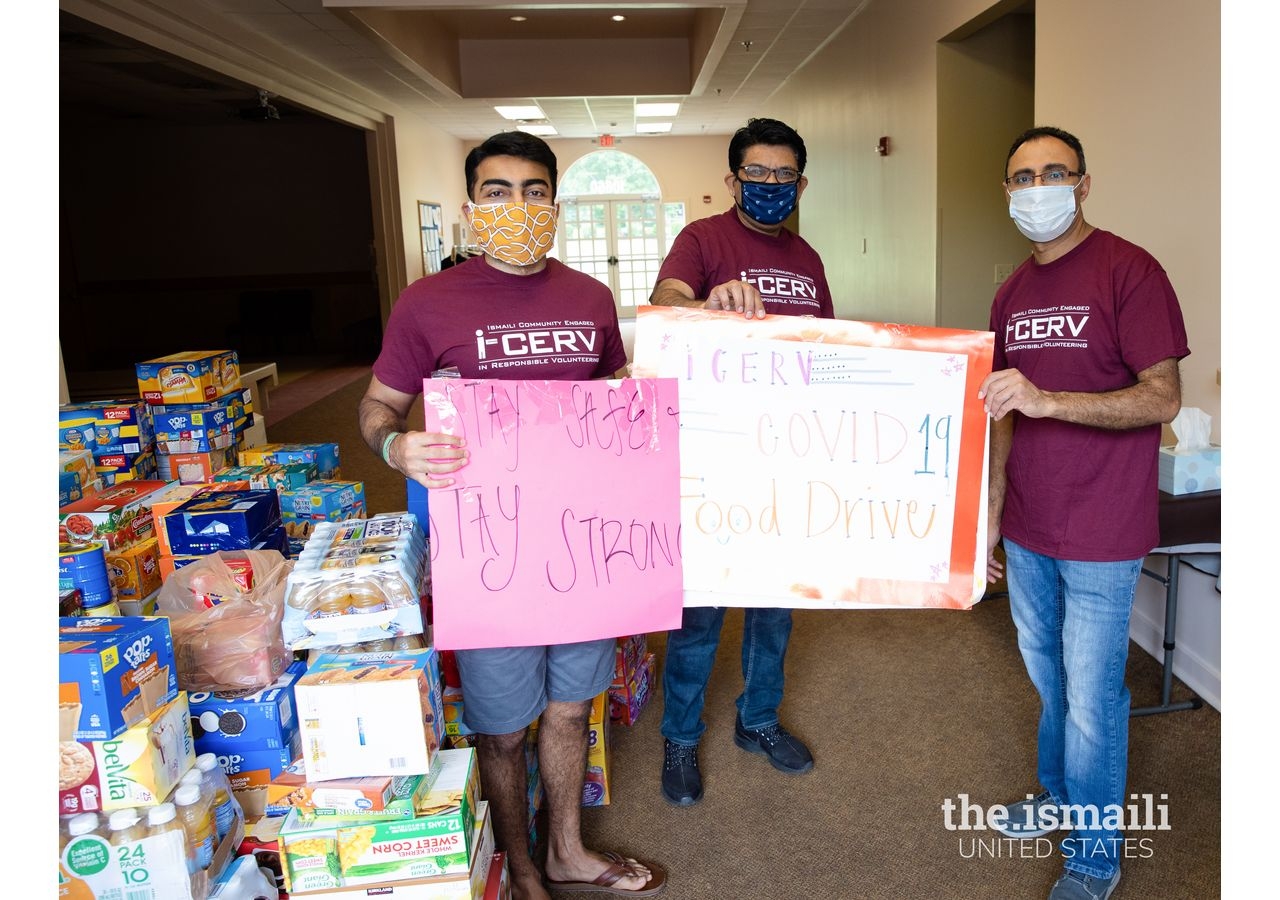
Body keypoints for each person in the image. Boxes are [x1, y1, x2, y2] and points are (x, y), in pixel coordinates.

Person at [358, 131, 666, 900]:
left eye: (534, 191)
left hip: (584, 547)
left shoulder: (589, 298)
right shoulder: (427, 302)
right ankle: (521, 865)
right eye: (498, 192)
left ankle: (565, 851)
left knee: (569, 710)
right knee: (500, 725)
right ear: (471, 210)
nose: (518, 206)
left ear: (555, 205)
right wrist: (396, 446)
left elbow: (618, 393)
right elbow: (376, 406)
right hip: (487, 553)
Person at [979, 126, 1188, 900]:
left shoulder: (1129, 270)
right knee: (1052, 682)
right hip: (1030, 523)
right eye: (1023, 177)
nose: (1038, 188)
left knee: (1094, 693)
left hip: (1102, 525)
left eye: (1053, 173)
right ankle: (1061, 796)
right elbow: (1004, 411)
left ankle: (1095, 859)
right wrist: (991, 513)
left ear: (1084, 184)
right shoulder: (1010, 292)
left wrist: (1047, 398)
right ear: (1008, 193)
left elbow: (1163, 396)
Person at [649, 117, 834, 806]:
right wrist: (707, 303)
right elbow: (665, 309)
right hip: (711, 459)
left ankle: (757, 720)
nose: (770, 187)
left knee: (774, 609)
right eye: (757, 175)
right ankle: (681, 736)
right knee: (699, 615)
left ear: (801, 184)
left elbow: (825, 352)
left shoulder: (809, 258)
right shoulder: (702, 240)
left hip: (786, 460)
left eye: (784, 177)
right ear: (732, 181)